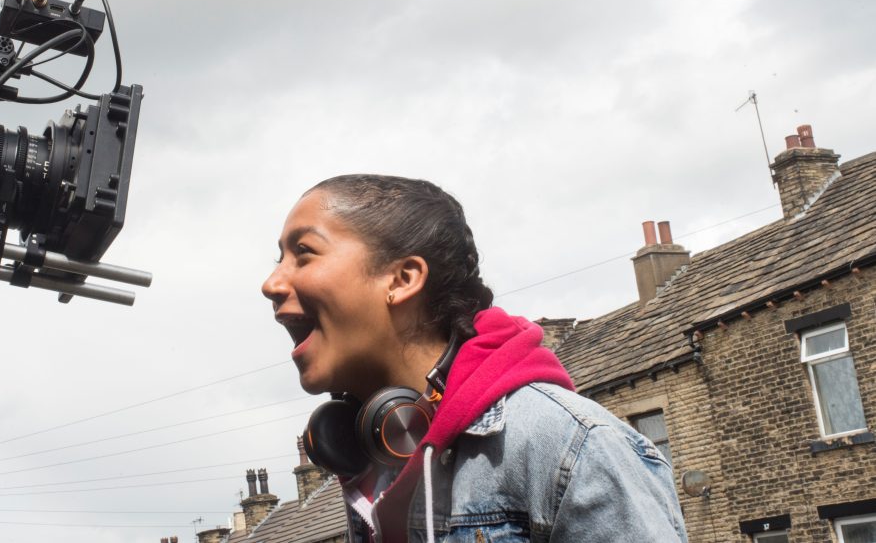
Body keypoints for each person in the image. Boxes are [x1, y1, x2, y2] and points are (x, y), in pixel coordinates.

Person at [262, 174, 688, 543]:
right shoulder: (373, 462)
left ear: (402, 278)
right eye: (279, 259)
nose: (271, 283)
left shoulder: (571, 447)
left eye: (304, 253)